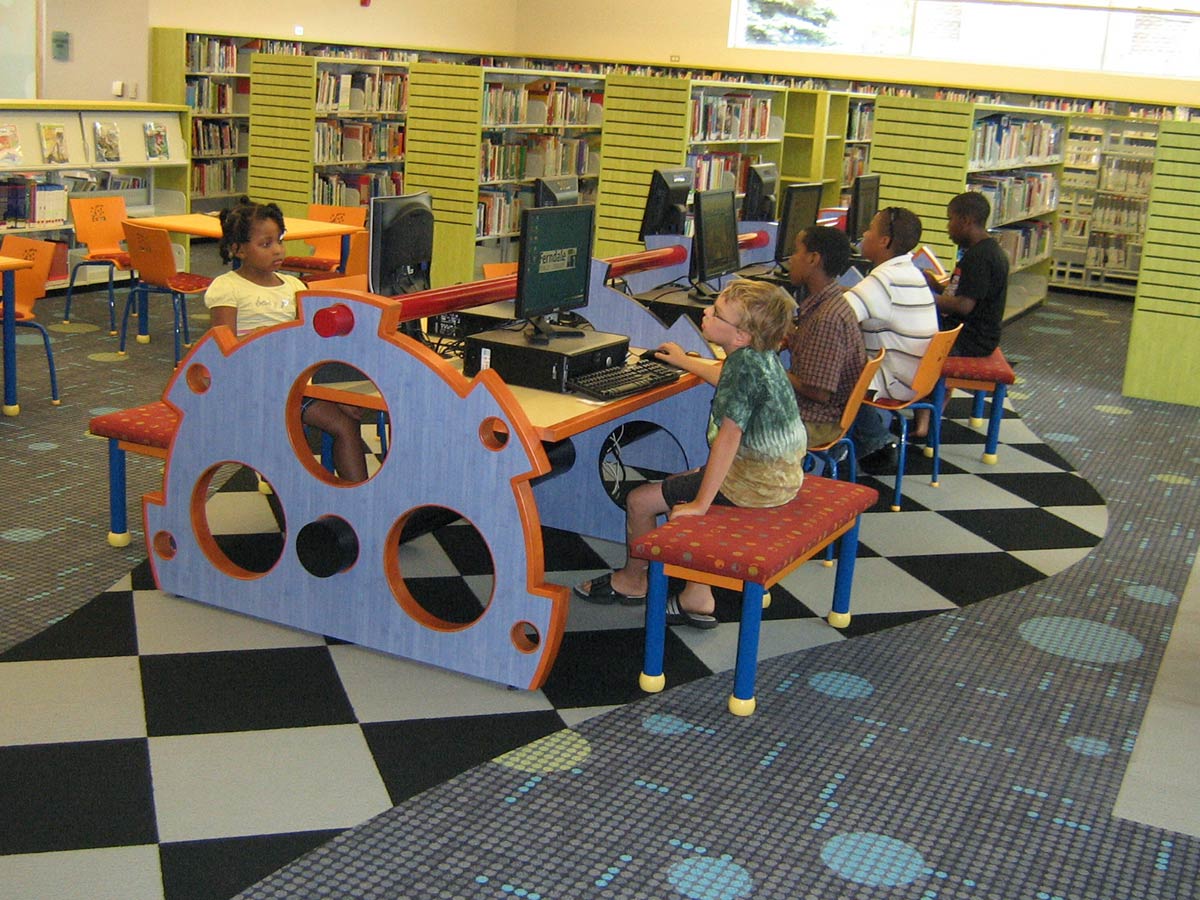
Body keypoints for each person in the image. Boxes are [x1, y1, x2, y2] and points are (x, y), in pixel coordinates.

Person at [573, 279, 807, 628]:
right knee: (679, 482)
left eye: (717, 313)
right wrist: (684, 361)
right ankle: (696, 593)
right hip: (779, 477)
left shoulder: (743, 367)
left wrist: (700, 504)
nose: (706, 312)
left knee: (640, 500)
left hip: (753, 484)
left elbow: (728, 439)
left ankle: (635, 580)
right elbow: (725, 377)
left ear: (741, 335)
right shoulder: (758, 358)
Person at [205, 198, 369, 483]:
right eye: (265, 244)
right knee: (319, 429)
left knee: (348, 418)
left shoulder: (294, 286)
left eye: (279, 240)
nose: (278, 250)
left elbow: (308, 346)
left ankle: (358, 498)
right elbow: (224, 350)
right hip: (254, 388)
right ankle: (316, 499)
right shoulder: (227, 287)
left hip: (295, 382)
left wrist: (333, 395)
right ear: (237, 249)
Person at [843, 206, 938, 474]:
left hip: (895, 380)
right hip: (918, 375)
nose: (864, 234)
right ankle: (871, 439)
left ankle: (857, 444)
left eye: (870, 229)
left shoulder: (882, 281)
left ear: (884, 241)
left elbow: (836, 318)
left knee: (824, 370)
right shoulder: (909, 272)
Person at [911, 190, 1009, 438]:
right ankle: (927, 412)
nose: (948, 227)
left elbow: (964, 306)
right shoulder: (986, 251)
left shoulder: (979, 258)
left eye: (950, 219)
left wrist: (923, 297)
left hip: (971, 338)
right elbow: (965, 293)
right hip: (979, 333)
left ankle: (925, 418)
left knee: (917, 347)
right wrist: (937, 286)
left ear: (965, 220)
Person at [785, 225, 867, 449]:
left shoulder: (827, 319)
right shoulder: (831, 302)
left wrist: (772, 368)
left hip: (818, 421)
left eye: (796, 252)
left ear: (813, 259)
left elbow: (818, 392)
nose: (791, 259)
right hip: (825, 414)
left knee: (737, 415)